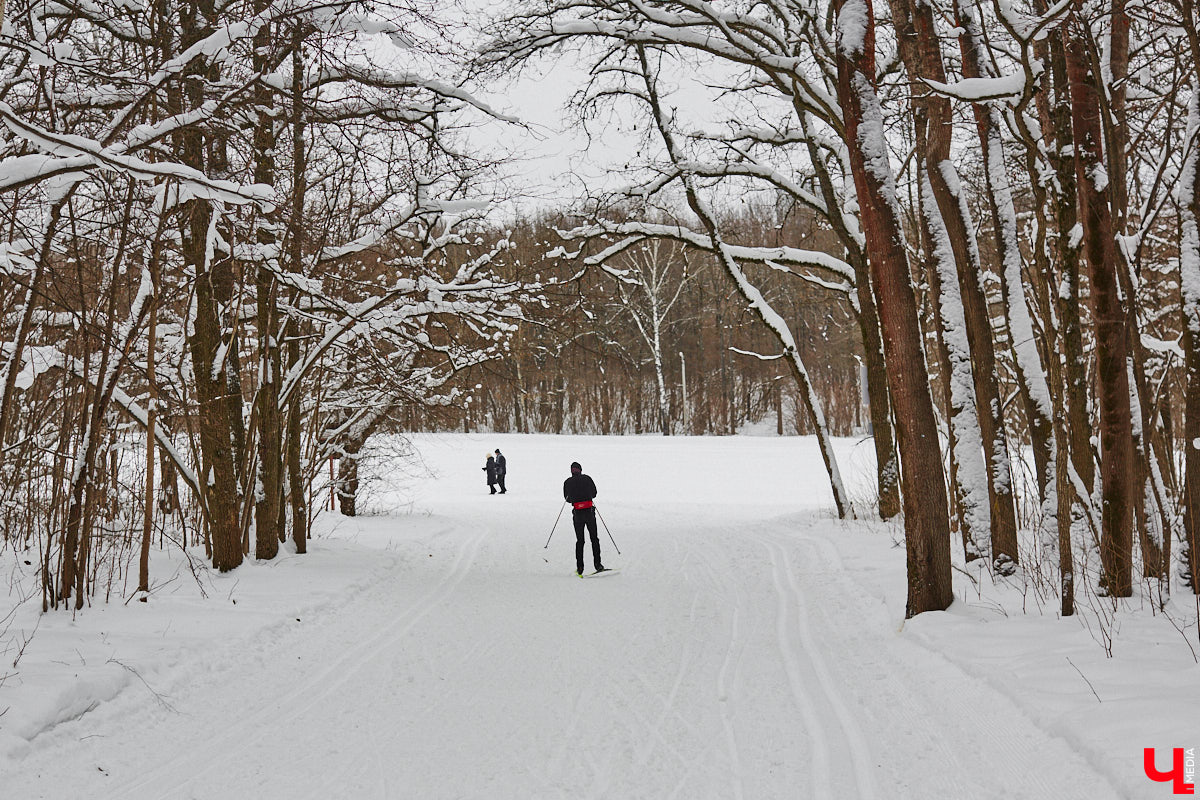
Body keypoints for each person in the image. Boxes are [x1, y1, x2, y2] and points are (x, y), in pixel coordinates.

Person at [563, 461, 605, 576]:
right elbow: (594, 493)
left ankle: (580, 567)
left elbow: (567, 499)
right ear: (580, 470)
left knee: (580, 541)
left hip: (577, 514)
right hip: (589, 513)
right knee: (594, 539)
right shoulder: (587, 479)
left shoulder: (568, 482)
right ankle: (598, 564)